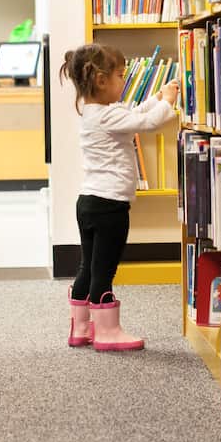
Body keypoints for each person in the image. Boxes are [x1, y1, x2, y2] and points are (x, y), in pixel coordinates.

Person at [58, 43, 179, 351]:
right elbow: (149, 123)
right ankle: (107, 332)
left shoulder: (97, 113)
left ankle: (81, 328)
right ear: (101, 81)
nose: (124, 81)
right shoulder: (107, 117)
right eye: (121, 75)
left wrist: (156, 98)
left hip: (89, 202)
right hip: (109, 206)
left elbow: (135, 113)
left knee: (88, 266)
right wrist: (167, 103)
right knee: (104, 270)